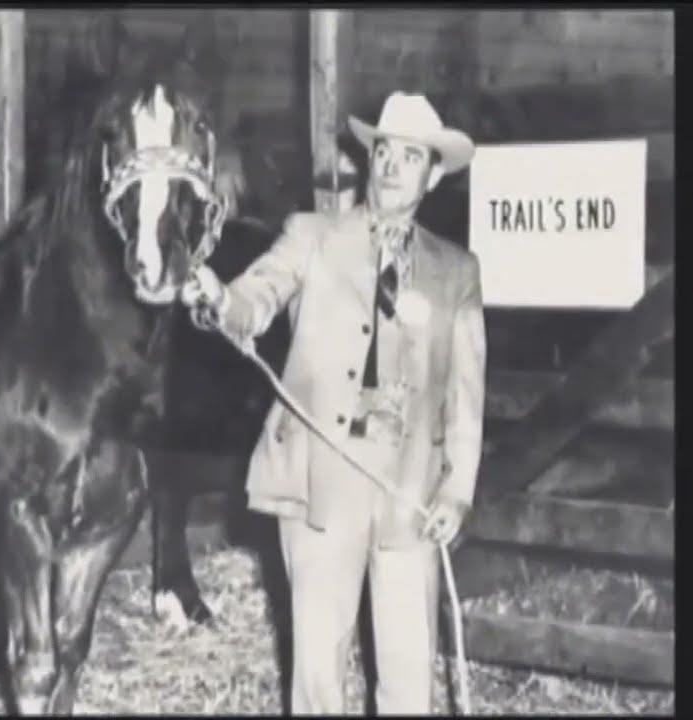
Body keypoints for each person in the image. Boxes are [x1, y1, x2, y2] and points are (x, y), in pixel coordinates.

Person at [180, 91, 488, 714]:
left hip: (409, 491)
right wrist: (223, 301)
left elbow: (466, 396)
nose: (393, 166)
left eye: (411, 156)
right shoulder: (313, 236)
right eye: (384, 151)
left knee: (409, 674)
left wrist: (456, 494)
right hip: (323, 478)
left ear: (432, 175)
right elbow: (258, 296)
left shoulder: (456, 272)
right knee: (319, 672)